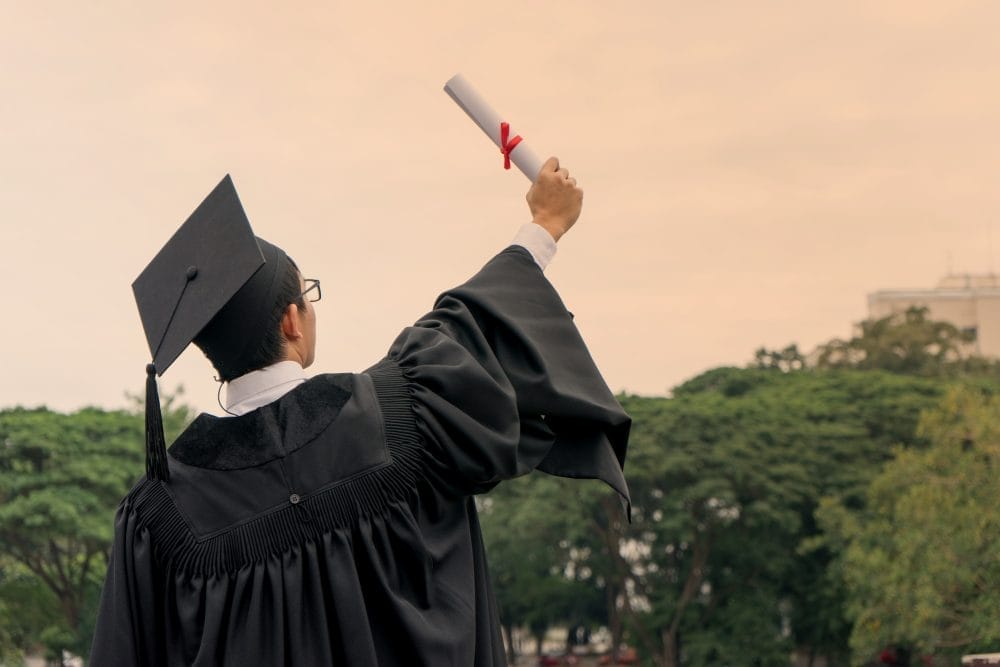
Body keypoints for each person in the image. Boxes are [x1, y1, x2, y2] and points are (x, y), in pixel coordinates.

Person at [91, 158, 630, 666]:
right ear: (291, 323)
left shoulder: (160, 520)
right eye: (308, 296)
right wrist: (544, 224)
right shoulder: (400, 413)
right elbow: (476, 325)